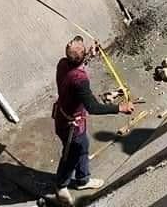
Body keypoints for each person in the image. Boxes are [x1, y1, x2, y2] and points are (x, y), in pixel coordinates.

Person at [53, 36, 133, 205]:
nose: (75, 41)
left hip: (63, 117)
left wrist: (88, 55)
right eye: (79, 45)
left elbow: (77, 63)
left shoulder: (63, 63)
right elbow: (93, 107)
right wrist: (120, 108)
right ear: (80, 57)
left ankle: (83, 179)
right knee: (71, 155)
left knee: (82, 146)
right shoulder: (80, 80)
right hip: (71, 126)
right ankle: (61, 185)